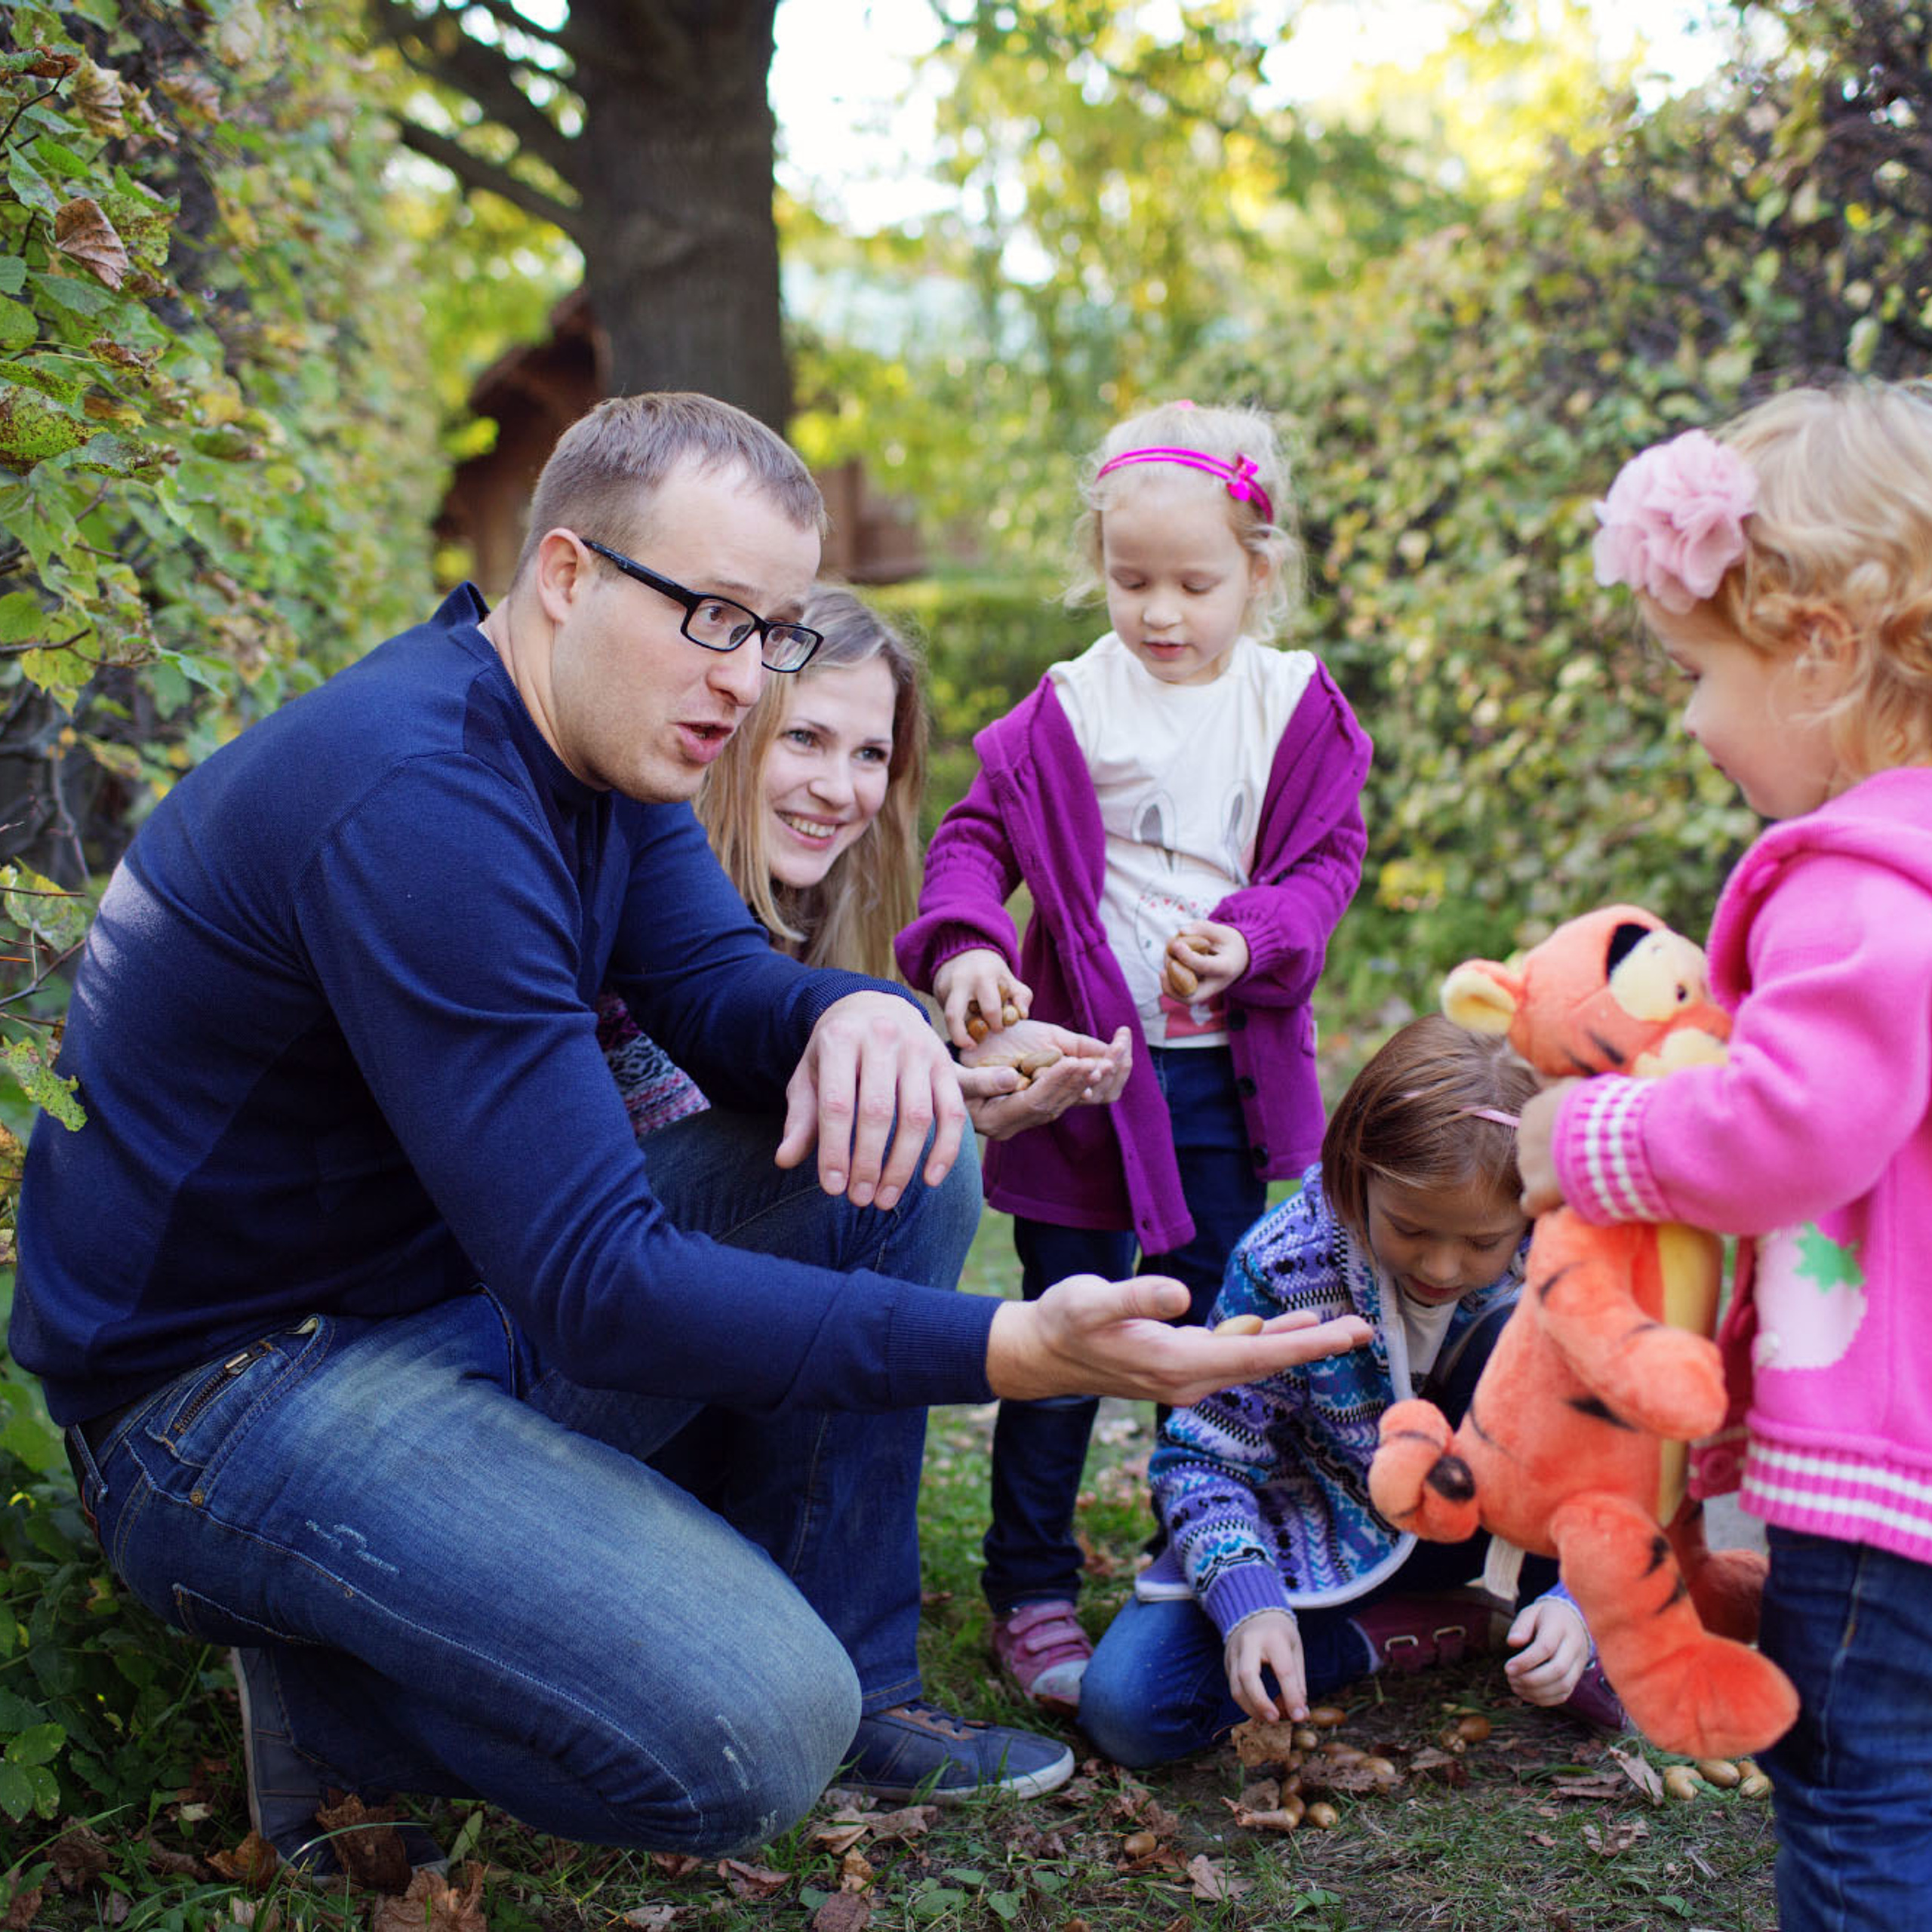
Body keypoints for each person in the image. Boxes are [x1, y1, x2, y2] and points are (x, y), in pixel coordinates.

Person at [8, 392, 1376, 1878]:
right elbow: (599, 1279)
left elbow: (717, 981)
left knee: (902, 1119)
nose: (745, 680)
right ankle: (342, 1693)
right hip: (221, 1401)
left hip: (421, 1314)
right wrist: (1016, 1346)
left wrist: (851, 1016)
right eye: (714, 616)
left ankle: (862, 1675)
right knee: (749, 1732)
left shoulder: (601, 744)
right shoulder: (423, 805)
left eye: (774, 628)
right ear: (568, 574)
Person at [595, 585, 1132, 1793]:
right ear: (732, 727)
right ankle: (854, 1670)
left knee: (914, 1133)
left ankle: (838, 1651)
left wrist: (960, 1077)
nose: (839, 787)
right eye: (805, 739)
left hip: (687, 1352)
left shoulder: (796, 939)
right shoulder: (649, 898)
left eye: (872, 753)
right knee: (905, 1150)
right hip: (570, 1342)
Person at [1516, 380, 1932, 1932]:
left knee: (1859, 1794)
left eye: (1695, 673)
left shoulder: (1856, 883)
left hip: (1891, 1491)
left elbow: (1788, 1122)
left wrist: (1591, 1134)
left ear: (1821, 648)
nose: (1685, 716)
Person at [897, 398, 1373, 1713]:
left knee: (1211, 1324)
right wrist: (968, 947)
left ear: (1258, 572)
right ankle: (1033, 1585)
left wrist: (1254, 937)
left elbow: (1326, 861)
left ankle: (1191, 1554)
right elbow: (973, 839)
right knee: (1067, 1334)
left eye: (1194, 583)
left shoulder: (1293, 708)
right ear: (1096, 565)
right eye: (1130, 579)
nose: (1160, 612)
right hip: (1084, 1087)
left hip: (1219, 1079)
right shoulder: (1070, 705)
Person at [1077, 1015, 1623, 1767]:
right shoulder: (1285, 1266)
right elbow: (1203, 1458)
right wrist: (1248, 1596)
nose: (1441, 1262)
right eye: (1409, 1226)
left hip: (1496, 1533)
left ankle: (1530, 1608)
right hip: (1320, 1536)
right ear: (1352, 1169)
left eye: (1482, 1241)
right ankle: (1404, 1627)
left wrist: (1576, 1599)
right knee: (1129, 1708)